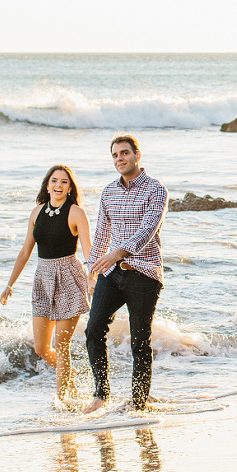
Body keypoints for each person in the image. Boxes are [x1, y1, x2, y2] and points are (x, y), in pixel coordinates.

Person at [81, 134, 167, 413]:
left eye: (125, 153)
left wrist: (117, 253)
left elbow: (148, 230)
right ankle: (101, 394)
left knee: (139, 340)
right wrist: (91, 272)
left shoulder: (156, 190)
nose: (120, 159)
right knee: (93, 330)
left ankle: (139, 403)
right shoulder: (108, 192)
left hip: (144, 274)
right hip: (111, 275)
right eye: (115, 155)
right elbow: (102, 234)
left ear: (137, 155)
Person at [0, 164, 93, 408]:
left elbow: (89, 251)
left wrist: (93, 278)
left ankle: (63, 403)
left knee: (61, 346)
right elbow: (25, 251)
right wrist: (10, 284)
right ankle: (69, 376)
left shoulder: (76, 213)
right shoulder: (36, 212)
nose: (58, 185)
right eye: (54, 181)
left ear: (70, 187)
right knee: (41, 348)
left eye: (64, 182)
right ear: (47, 184)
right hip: (43, 278)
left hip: (69, 277)